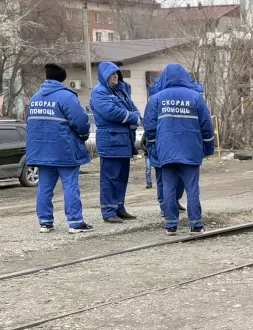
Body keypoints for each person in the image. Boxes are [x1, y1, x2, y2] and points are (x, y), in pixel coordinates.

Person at [144, 63, 215, 235]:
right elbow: (206, 125)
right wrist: (208, 147)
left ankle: (171, 225)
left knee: (168, 187)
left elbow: (149, 126)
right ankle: (196, 224)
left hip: (166, 150)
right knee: (192, 188)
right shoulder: (195, 97)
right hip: (190, 149)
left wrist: (153, 147)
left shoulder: (157, 98)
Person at [25, 63, 94, 234]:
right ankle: (75, 222)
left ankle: (45, 222)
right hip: (64, 149)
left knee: (44, 187)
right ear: (62, 78)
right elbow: (81, 122)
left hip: (41, 150)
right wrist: (84, 136)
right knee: (70, 185)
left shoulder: (35, 98)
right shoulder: (66, 97)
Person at [90, 61, 141, 224]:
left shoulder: (121, 92)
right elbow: (111, 112)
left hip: (124, 139)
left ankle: (119, 207)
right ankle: (108, 211)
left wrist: (134, 116)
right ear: (104, 76)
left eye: (117, 73)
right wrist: (132, 118)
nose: (115, 76)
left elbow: (134, 109)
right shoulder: (99, 92)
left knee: (121, 177)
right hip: (110, 140)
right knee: (110, 178)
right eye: (112, 74)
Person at [143, 72, 186, 212]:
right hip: (159, 144)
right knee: (162, 178)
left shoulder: (175, 97)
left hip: (177, 144)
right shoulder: (156, 99)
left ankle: (174, 200)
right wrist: (153, 141)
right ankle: (165, 205)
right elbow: (149, 123)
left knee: (179, 178)